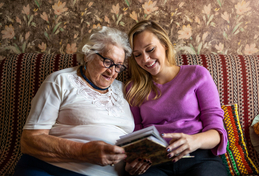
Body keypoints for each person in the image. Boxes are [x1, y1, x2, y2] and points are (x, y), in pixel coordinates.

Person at [14, 26, 134, 176]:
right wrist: (83, 152)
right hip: (51, 169)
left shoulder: (124, 90)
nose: (112, 71)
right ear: (88, 55)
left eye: (118, 66)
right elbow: (29, 141)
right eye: (107, 62)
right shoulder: (60, 81)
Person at [124, 20, 228, 176]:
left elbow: (216, 132)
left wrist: (194, 141)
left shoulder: (197, 74)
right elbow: (135, 133)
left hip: (198, 157)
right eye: (138, 55)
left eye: (150, 49)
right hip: (154, 163)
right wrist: (131, 162)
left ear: (164, 45)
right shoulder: (133, 88)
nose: (145, 59)